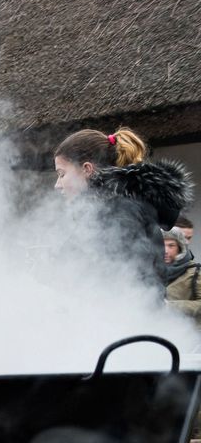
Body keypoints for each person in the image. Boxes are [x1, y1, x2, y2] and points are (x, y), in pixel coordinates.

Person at [53, 127, 193, 293]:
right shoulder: (105, 212)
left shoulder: (120, 212)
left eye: (62, 174)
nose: (57, 185)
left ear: (87, 169)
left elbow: (128, 287)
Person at [163, 228, 201, 326]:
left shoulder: (195, 272)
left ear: (180, 248)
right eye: (162, 245)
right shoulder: (150, 272)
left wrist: (171, 306)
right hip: (161, 333)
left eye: (171, 245)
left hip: (189, 335)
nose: (165, 250)